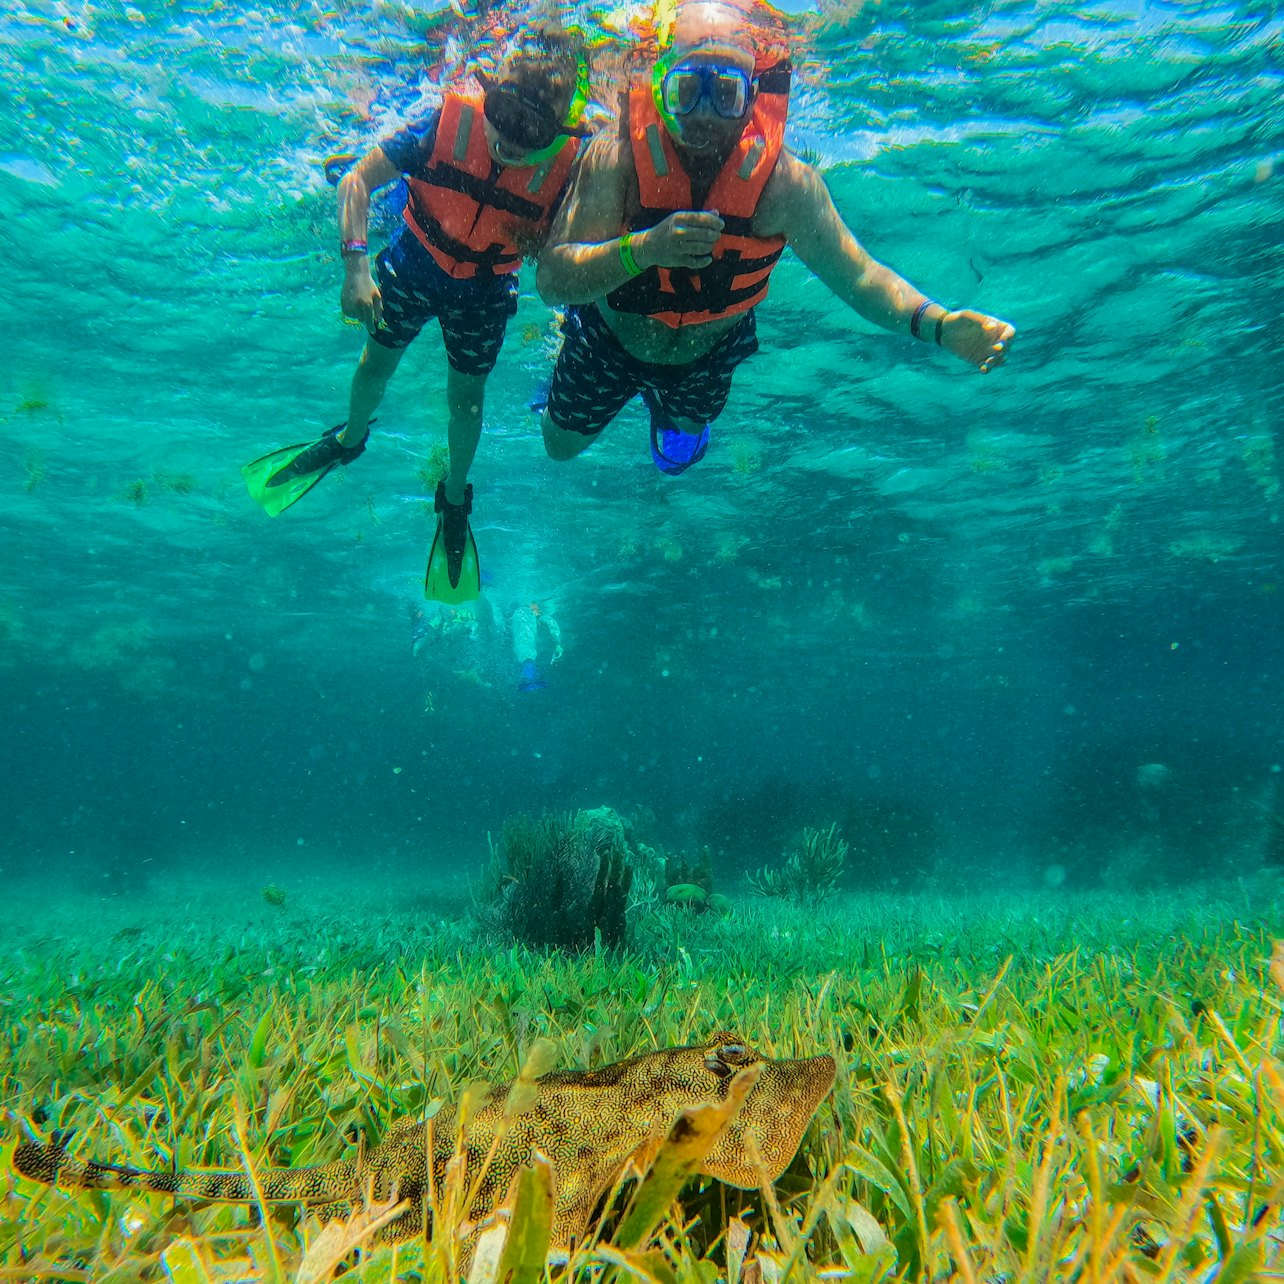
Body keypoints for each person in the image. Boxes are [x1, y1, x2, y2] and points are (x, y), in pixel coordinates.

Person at [534, 0, 1016, 478]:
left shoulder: (785, 186)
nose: (705, 114)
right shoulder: (617, 157)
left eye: (725, 93)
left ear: (753, 99)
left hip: (706, 355)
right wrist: (645, 249)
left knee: (683, 434)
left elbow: (860, 276)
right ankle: (574, 350)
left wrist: (938, 325)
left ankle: (668, 411)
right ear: (662, 91)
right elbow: (554, 279)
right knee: (559, 448)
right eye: (687, 91)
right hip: (610, 339)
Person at [243, 27, 590, 603]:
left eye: (533, 131)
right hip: (415, 258)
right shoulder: (443, 125)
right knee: (375, 364)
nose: (509, 139)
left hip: (485, 288)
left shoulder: (568, 173)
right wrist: (356, 267)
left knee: (467, 400)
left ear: (559, 132)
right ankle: (349, 439)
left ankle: (454, 497)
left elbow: (572, 258)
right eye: (502, 113)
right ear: (490, 94)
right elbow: (356, 179)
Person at [510, 600, 564, 691]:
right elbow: (551, 622)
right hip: (522, 621)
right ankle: (530, 681)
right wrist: (558, 644)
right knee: (527, 652)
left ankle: (527, 679)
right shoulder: (531, 614)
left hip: (514, 620)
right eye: (538, 608)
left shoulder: (517, 614)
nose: (540, 611)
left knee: (523, 651)